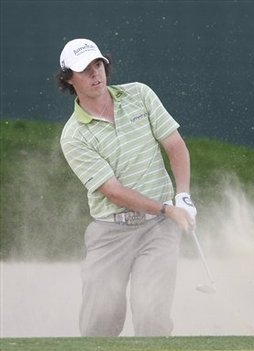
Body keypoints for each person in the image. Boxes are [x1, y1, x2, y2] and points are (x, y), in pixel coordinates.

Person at [56, 38, 196, 337]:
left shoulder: (140, 95)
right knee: (99, 323)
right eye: (85, 70)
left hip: (158, 228)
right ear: (69, 78)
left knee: (151, 314)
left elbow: (174, 145)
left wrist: (182, 196)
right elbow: (112, 190)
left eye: (98, 65)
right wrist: (167, 208)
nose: (96, 74)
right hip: (110, 232)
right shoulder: (74, 135)